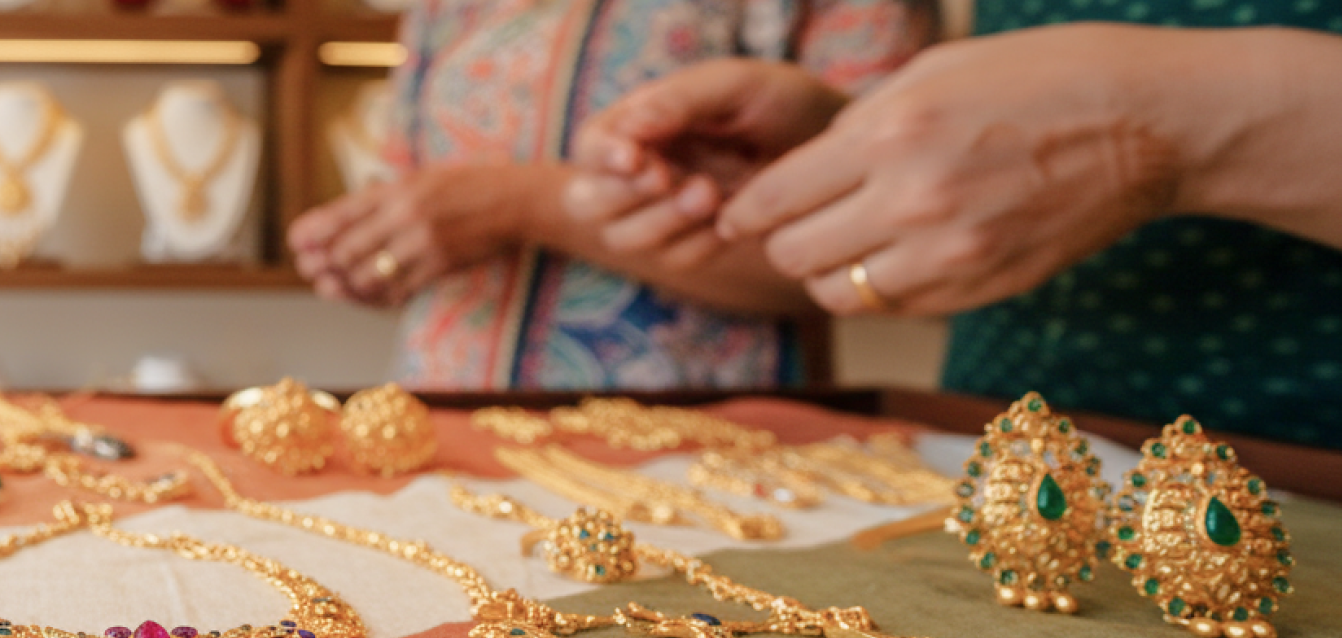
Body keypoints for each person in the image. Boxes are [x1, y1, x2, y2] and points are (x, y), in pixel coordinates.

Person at [567, 15, 1342, 448]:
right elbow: (1030, 136)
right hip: (986, 461)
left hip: (1297, 486)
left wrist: (1159, 128)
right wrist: (857, 155)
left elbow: (1103, 110)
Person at [289, 0, 936, 391]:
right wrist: (378, 249)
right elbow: (414, 192)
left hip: (691, 452)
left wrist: (525, 204)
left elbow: (888, 237)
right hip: (446, 429)